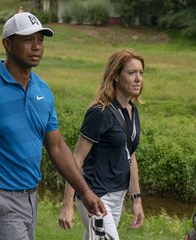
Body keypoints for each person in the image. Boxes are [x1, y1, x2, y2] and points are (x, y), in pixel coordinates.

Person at [0, 12, 106, 240]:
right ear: (7, 43)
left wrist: (84, 191)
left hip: (30, 199)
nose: (36, 47)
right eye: (27, 40)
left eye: (40, 40)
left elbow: (56, 146)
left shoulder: (42, 90)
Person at [58, 49, 145, 240]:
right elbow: (76, 159)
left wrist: (136, 200)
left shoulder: (132, 110)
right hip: (96, 196)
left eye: (140, 72)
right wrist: (67, 205)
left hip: (118, 196)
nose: (138, 78)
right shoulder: (100, 112)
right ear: (115, 75)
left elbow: (130, 155)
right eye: (131, 73)